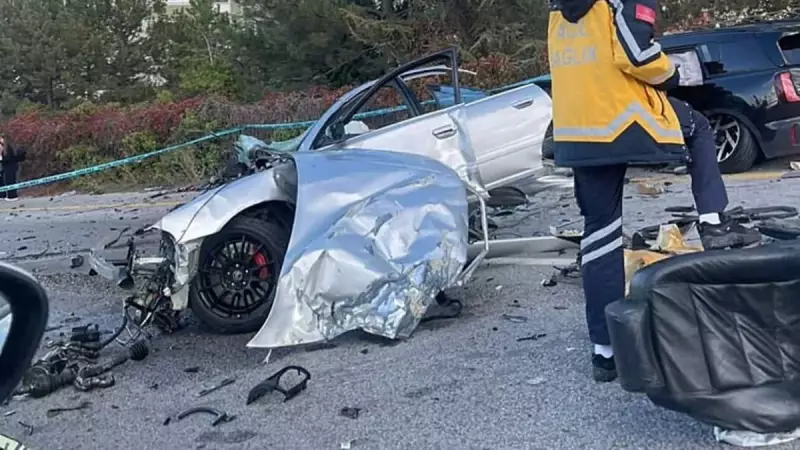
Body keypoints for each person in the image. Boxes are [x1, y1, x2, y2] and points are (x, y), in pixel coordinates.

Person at [547, 0, 763, 382]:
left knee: (600, 234)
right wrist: (675, 73)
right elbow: (638, 56)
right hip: (626, 120)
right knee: (696, 127)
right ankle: (713, 222)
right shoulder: (620, 2)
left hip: (578, 132)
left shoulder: (556, 11)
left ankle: (606, 351)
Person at [0, 134, 22, 202]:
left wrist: (1, 159)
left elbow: (8, 158)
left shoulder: (8, 147)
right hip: (7, 166)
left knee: (10, 180)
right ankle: (3, 195)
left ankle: (12, 196)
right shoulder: (5, 147)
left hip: (10, 166)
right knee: (5, 180)